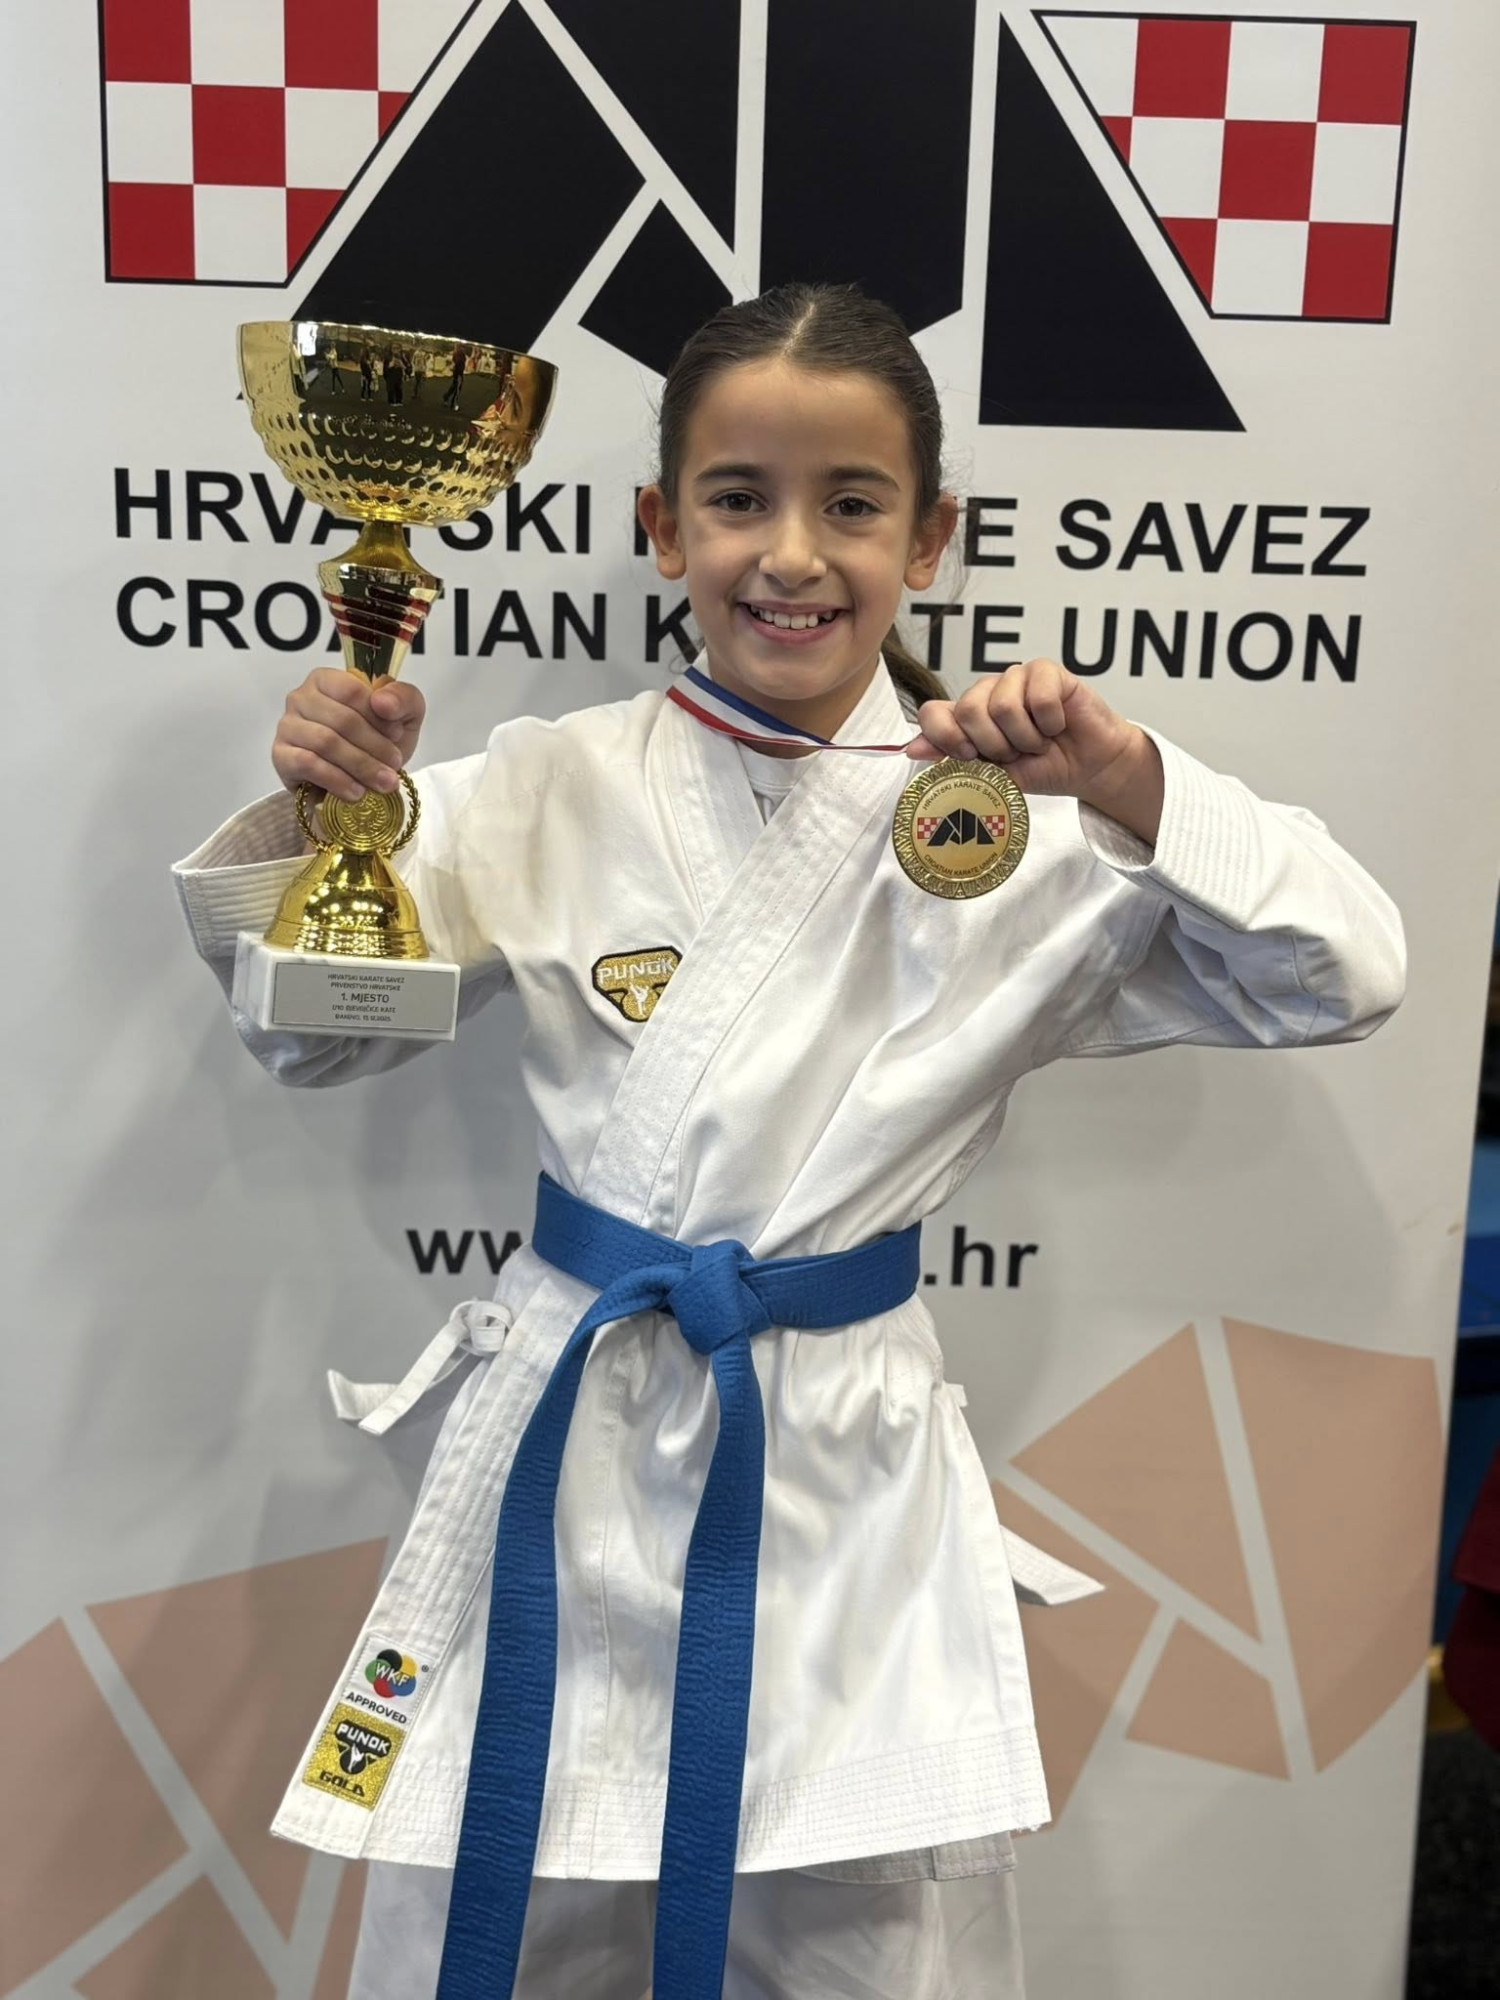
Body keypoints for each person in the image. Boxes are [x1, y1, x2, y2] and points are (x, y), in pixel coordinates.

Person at [172, 283, 1406, 1999]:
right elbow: (311, 1036)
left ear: (933, 539)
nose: (793, 556)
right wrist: (324, 820)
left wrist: (1133, 776)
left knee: (852, 1938)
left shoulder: (1028, 825)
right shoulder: (546, 784)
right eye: (740, 499)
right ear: (661, 527)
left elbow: (1343, 976)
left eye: (853, 504)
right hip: (568, 1432)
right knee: (502, 1899)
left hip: (838, 1461)